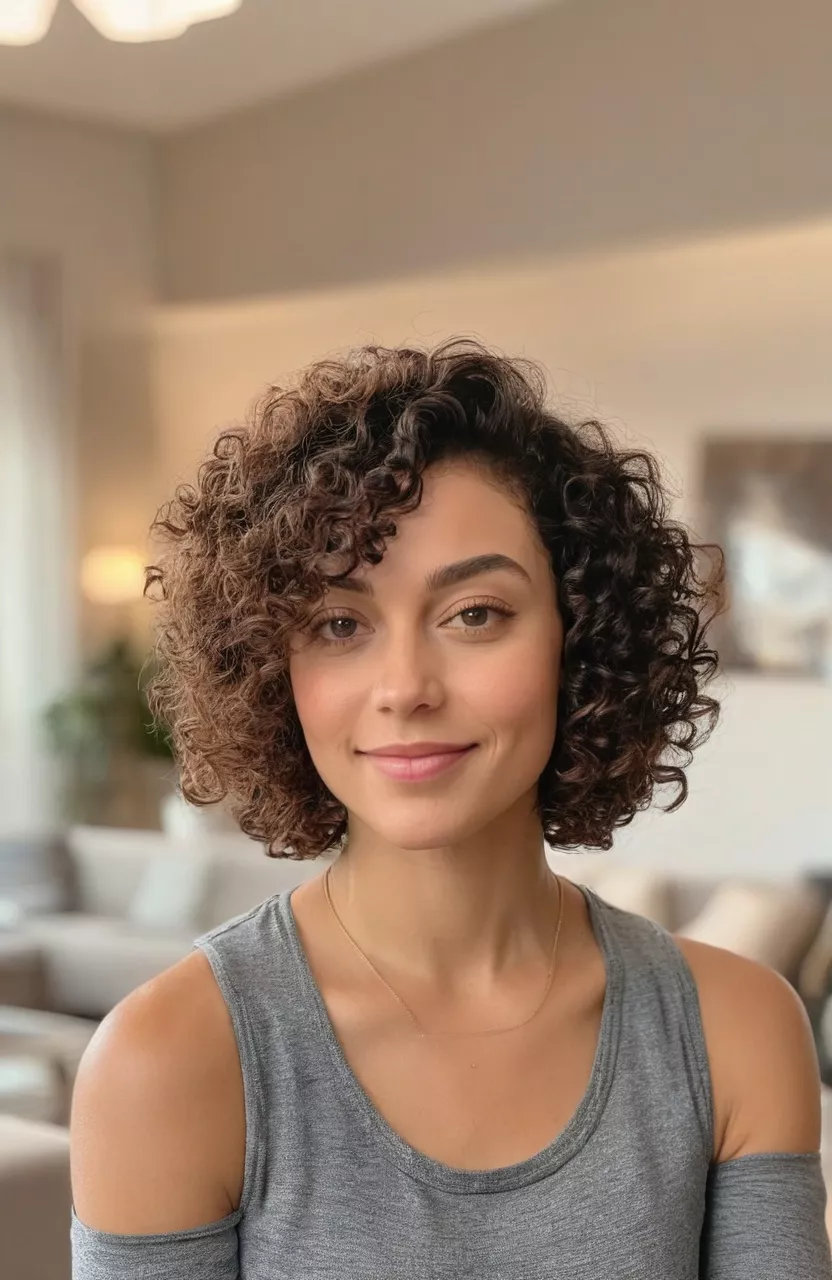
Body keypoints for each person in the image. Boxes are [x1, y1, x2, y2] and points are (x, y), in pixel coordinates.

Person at [69, 340, 832, 1277]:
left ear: (580, 639)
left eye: (474, 613)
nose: (405, 688)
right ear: (276, 667)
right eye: (339, 624)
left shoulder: (735, 1031)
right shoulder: (172, 1062)